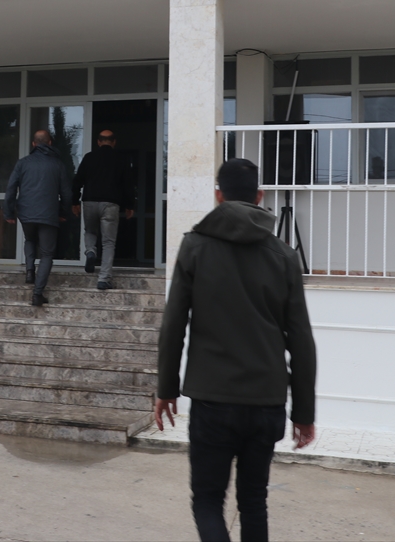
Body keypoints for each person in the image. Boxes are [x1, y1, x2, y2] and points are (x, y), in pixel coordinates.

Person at [155, 158, 317, 542]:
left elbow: (173, 324)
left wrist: (166, 389)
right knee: (254, 502)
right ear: (260, 197)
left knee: (208, 502)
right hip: (266, 404)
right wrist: (304, 413)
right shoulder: (284, 255)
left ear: (218, 196)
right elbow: (301, 340)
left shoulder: (194, 247)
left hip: (212, 403)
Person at [4, 129, 72, 307]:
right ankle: (37, 293)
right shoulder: (58, 165)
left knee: (30, 239)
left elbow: (11, 188)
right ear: (50, 143)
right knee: (47, 253)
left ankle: (29, 272)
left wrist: (9, 212)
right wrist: (63, 213)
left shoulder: (23, 163)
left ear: (34, 144)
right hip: (49, 214)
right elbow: (66, 193)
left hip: (26, 213)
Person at [71, 129, 135, 290]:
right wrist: (130, 205)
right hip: (110, 204)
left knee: (90, 231)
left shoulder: (89, 158)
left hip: (90, 202)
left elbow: (77, 181)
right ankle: (104, 279)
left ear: (99, 142)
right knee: (108, 242)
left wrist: (75, 202)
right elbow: (128, 184)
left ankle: (90, 251)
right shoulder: (121, 159)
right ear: (113, 142)